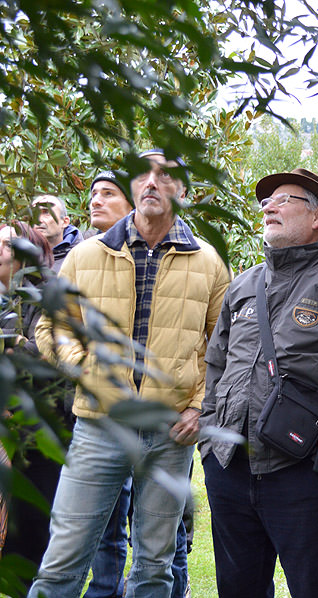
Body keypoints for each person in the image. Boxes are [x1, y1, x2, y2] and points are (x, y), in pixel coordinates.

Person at [29, 149, 231, 598]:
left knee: (154, 567)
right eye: (143, 174)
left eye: (166, 175)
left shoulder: (209, 263)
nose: (153, 182)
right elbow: (51, 327)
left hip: (171, 433)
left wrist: (201, 407)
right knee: (63, 560)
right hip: (99, 426)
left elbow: (225, 347)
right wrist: (87, 372)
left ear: (182, 190)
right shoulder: (86, 255)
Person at [199, 167, 318, 598]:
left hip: (301, 472)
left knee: (314, 588)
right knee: (238, 588)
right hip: (229, 466)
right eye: (266, 201)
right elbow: (216, 365)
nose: (269, 206)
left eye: (284, 199)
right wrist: (209, 443)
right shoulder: (243, 286)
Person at [0, 221, 58, 585]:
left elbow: (48, 359)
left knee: (28, 535)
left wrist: (13, 342)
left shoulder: (47, 294)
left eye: (4, 243)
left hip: (36, 436)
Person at [31, 194, 83, 271]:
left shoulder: (82, 257)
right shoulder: (18, 258)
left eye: (46, 213)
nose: (38, 220)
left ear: (65, 222)